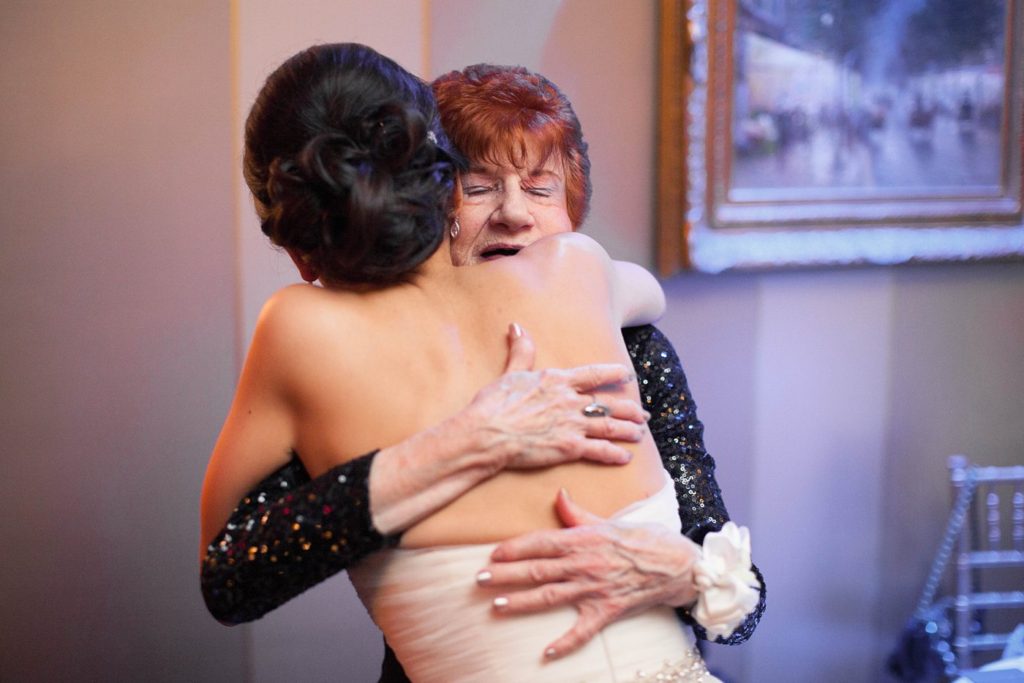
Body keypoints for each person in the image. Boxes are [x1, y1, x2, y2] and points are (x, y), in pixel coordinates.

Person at [201, 52, 764, 680]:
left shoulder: (625, 335)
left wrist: (685, 574)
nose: (515, 213)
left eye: (540, 188)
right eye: (479, 187)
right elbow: (234, 578)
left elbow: (742, 603)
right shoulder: (581, 270)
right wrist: (459, 444)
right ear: (440, 195)